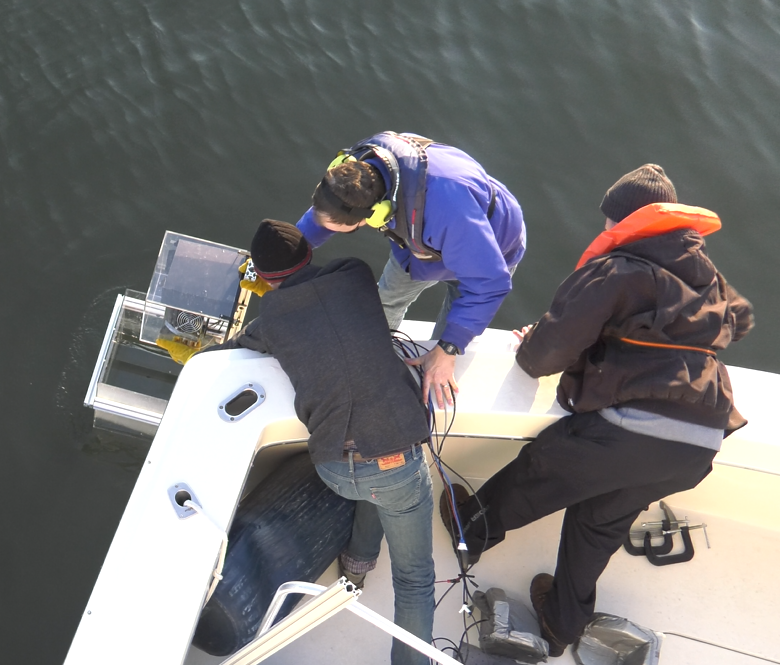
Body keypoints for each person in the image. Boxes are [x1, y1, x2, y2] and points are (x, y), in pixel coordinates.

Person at [441, 165, 754, 657]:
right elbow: (741, 321)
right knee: (599, 519)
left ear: (624, 221)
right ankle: (563, 621)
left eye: (609, 220)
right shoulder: (708, 278)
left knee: (544, 468)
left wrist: (534, 342)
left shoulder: (617, 270)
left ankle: (472, 527)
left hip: (634, 429)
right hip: (700, 441)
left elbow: (545, 355)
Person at [206, 220, 435, 665]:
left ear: (264, 277)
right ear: (308, 252)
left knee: (377, 485)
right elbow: (333, 281)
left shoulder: (270, 319)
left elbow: (238, 346)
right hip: (394, 464)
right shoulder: (355, 273)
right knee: (414, 579)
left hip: (333, 467)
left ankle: (356, 564)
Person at [296, 131, 527, 408]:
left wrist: (448, 348)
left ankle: (437, 360)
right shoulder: (358, 170)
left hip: (485, 251)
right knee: (386, 300)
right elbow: (326, 215)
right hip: (419, 247)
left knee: (447, 340)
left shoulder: (450, 213)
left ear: (376, 214)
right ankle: (375, 355)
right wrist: (290, 253)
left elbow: (490, 283)